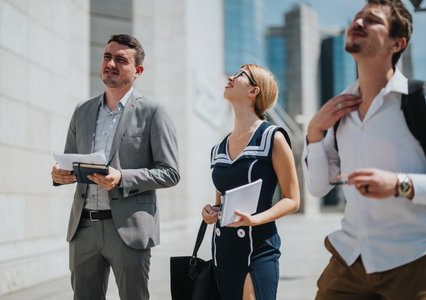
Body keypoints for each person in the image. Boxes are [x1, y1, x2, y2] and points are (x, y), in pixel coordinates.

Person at [302, 0, 426, 299]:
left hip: (413, 261)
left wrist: (399, 184)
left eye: (372, 20)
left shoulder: (418, 101)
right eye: (358, 17)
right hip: (349, 259)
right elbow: (318, 188)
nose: (358, 23)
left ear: (397, 43)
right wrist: (314, 132)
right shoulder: (337, 112)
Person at [51, 34, 180, 300]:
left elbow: (170, 172)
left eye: (121, 60)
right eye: (107, 56)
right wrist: (59, 174)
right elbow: (70, 162)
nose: (111, 63)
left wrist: (122, 177)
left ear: (138, 71)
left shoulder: (154, 112)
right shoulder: (82, 111)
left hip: (129, 230)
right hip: (83, 229)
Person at [202, 64, 300, 300]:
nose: (230, 77)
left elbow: (292, 200)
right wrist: (211, 211)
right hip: (223, 252)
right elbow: (221, 202)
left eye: (239, 75)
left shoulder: (272, 137)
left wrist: (254, 220)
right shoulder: (218, 148)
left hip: (258, 250)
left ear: (254, 90)